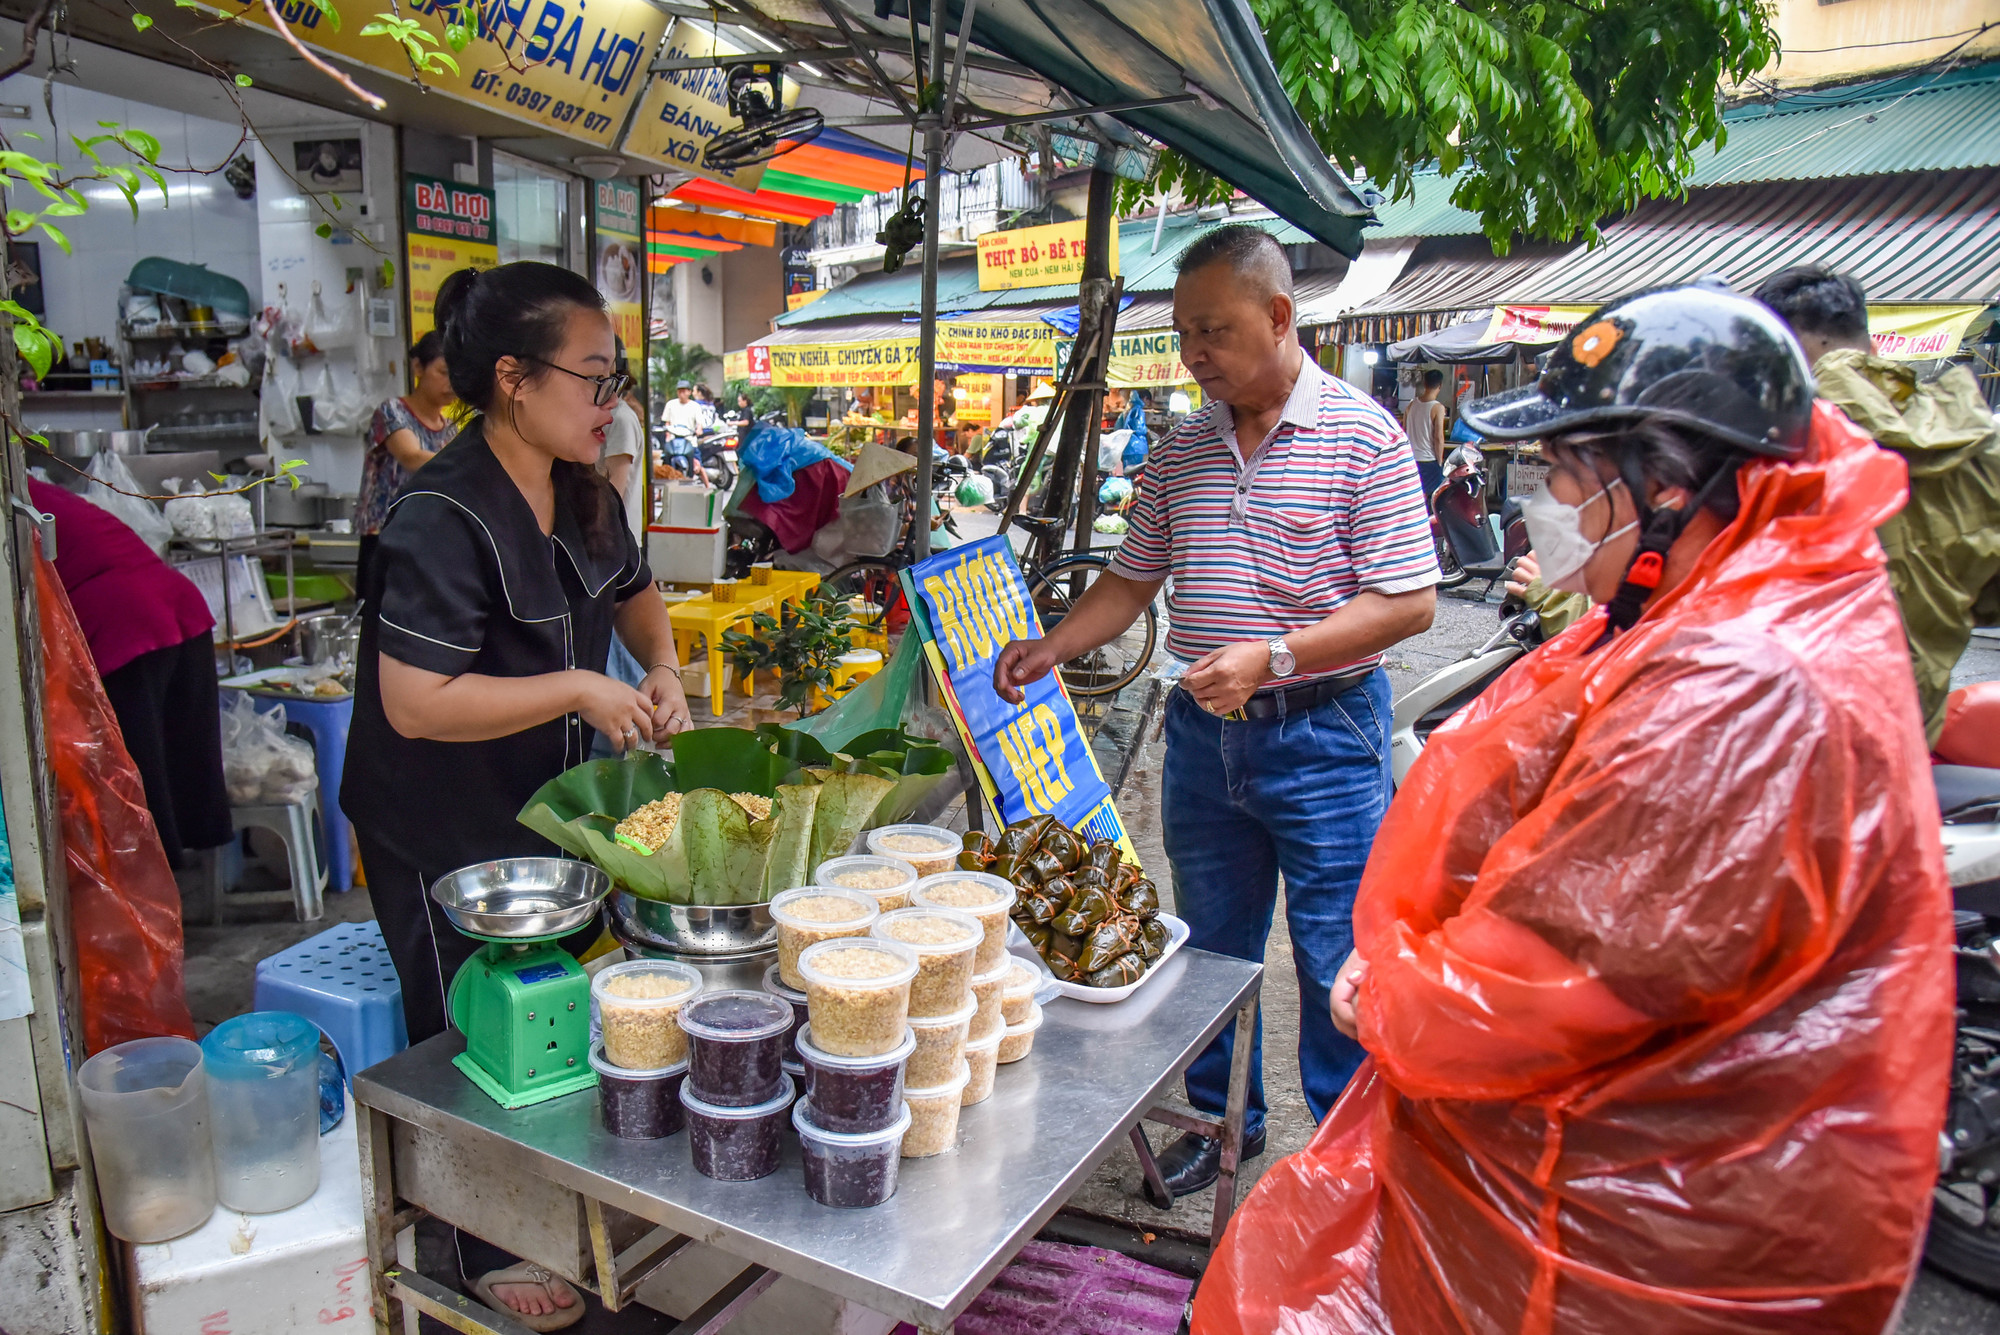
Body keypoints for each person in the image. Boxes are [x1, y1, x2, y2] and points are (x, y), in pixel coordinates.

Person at [1196, 286, 1953, 1334]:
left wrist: (1390, 997)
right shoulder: (1716, 611)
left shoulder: (1733, 687)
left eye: (1561, 474)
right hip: (1627, 1186)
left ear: (1662, 490)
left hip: (1635, 1232)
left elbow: (1544, 981)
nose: (1545, 506)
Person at [994, 224, 1439, 1198]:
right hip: (1204, 738)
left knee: (1334, 956)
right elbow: (1130, 578)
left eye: (1214, 330)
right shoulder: (1181, 450)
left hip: (1324, 733)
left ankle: (1349, 1162)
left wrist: (1274, 656)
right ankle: (1220, 1123)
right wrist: (1051, 645)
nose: (1194, 353)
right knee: (1209, 949)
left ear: (1278, 316)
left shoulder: (1363, 436)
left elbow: (1409, 601)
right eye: (1184, 334)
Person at [341, 262, 690, 1329]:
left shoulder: (584, 488)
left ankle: (544, 1195)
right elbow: (415, 702)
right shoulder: (440, 513)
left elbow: (635, 596)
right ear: (512, 378)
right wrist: (581, 686)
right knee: (467, 1023)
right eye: (593, 377)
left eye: (616, 378)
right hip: (439, 817)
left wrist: (662, 667)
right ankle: (469, 1240)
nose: (609, 401)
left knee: (549, 1009)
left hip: (546, 806)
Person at [1754, 264, 2000, 744]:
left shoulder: (1767, 440)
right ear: (1870, 343)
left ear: (1774, 349)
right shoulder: (1977, 443)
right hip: (1902, 737)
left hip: (1774, 735)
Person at [31, 478, 229, 869]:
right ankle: (186, 878)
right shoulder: (33, 488)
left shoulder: (16, 500)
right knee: (178, 754)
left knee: (135, 764)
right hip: (175, 599)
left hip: (122, 620)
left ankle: (153, 885)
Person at [358, 331, 457, 592]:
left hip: (427, 540)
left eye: (457, 375)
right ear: (418, 368)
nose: (451, 383)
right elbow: (411, 457)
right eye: (443, 372)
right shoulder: (392, 411)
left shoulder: (450, 429)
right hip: (385, 537)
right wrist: (466, 464)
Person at [1402, 368, 1446, 503]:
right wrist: (1440, 462)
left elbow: (1404, 431)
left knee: (1412, 497)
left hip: (1411, 459)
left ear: (1425, 384)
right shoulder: (1438, 408)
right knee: (1432, 500)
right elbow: (1438, 437)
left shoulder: (1411, 405)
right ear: (1440, 386)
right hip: (1428, 460)